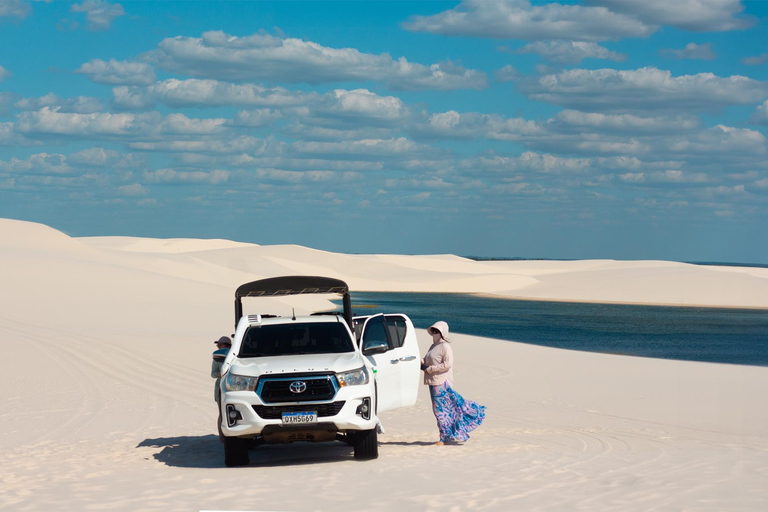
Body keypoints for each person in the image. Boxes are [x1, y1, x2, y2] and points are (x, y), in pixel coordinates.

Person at [421, 321, 485, 445]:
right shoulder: (433, 346)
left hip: (442, 382)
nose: (434, 333)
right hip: (432, 381)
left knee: (441, 410)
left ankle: (443, 438)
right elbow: (426, 359)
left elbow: (447, 364)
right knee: (441, 409)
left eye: (437, 331)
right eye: (433, 330)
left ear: (442, 333)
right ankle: (448, 435)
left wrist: (430, 369)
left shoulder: (445, 347)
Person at [211, 335, 232, 441]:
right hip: (219, 387)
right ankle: (222, 437)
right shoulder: (217, 358)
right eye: (218, 345)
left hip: (232, 385)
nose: (218, 346)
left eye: (221, 344)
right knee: (221, 413)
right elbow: (213, 373)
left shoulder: (233, 356)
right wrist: (219, 373)